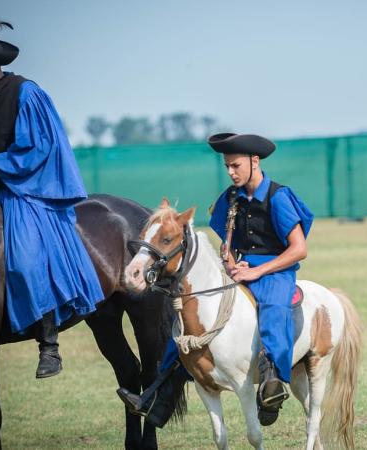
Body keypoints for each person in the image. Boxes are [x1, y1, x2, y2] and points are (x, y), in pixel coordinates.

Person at [0, 20, 105, 377]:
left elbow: (40, 147)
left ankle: (49, 346)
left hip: (27, 193)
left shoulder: (28, 93)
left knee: (25, 259)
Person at [117, 133, 313, 427]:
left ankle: (272, 385)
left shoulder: (278, 196)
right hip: (239, 270)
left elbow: (300, 249)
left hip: (275, 272)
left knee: (273, 308)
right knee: (187, 326)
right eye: (227, 167)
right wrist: (232, 261)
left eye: (236, 166)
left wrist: (257, 271)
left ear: (254, 161)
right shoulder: (230, 198)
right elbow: (226, 240)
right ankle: (158, 397)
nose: (231, 172)